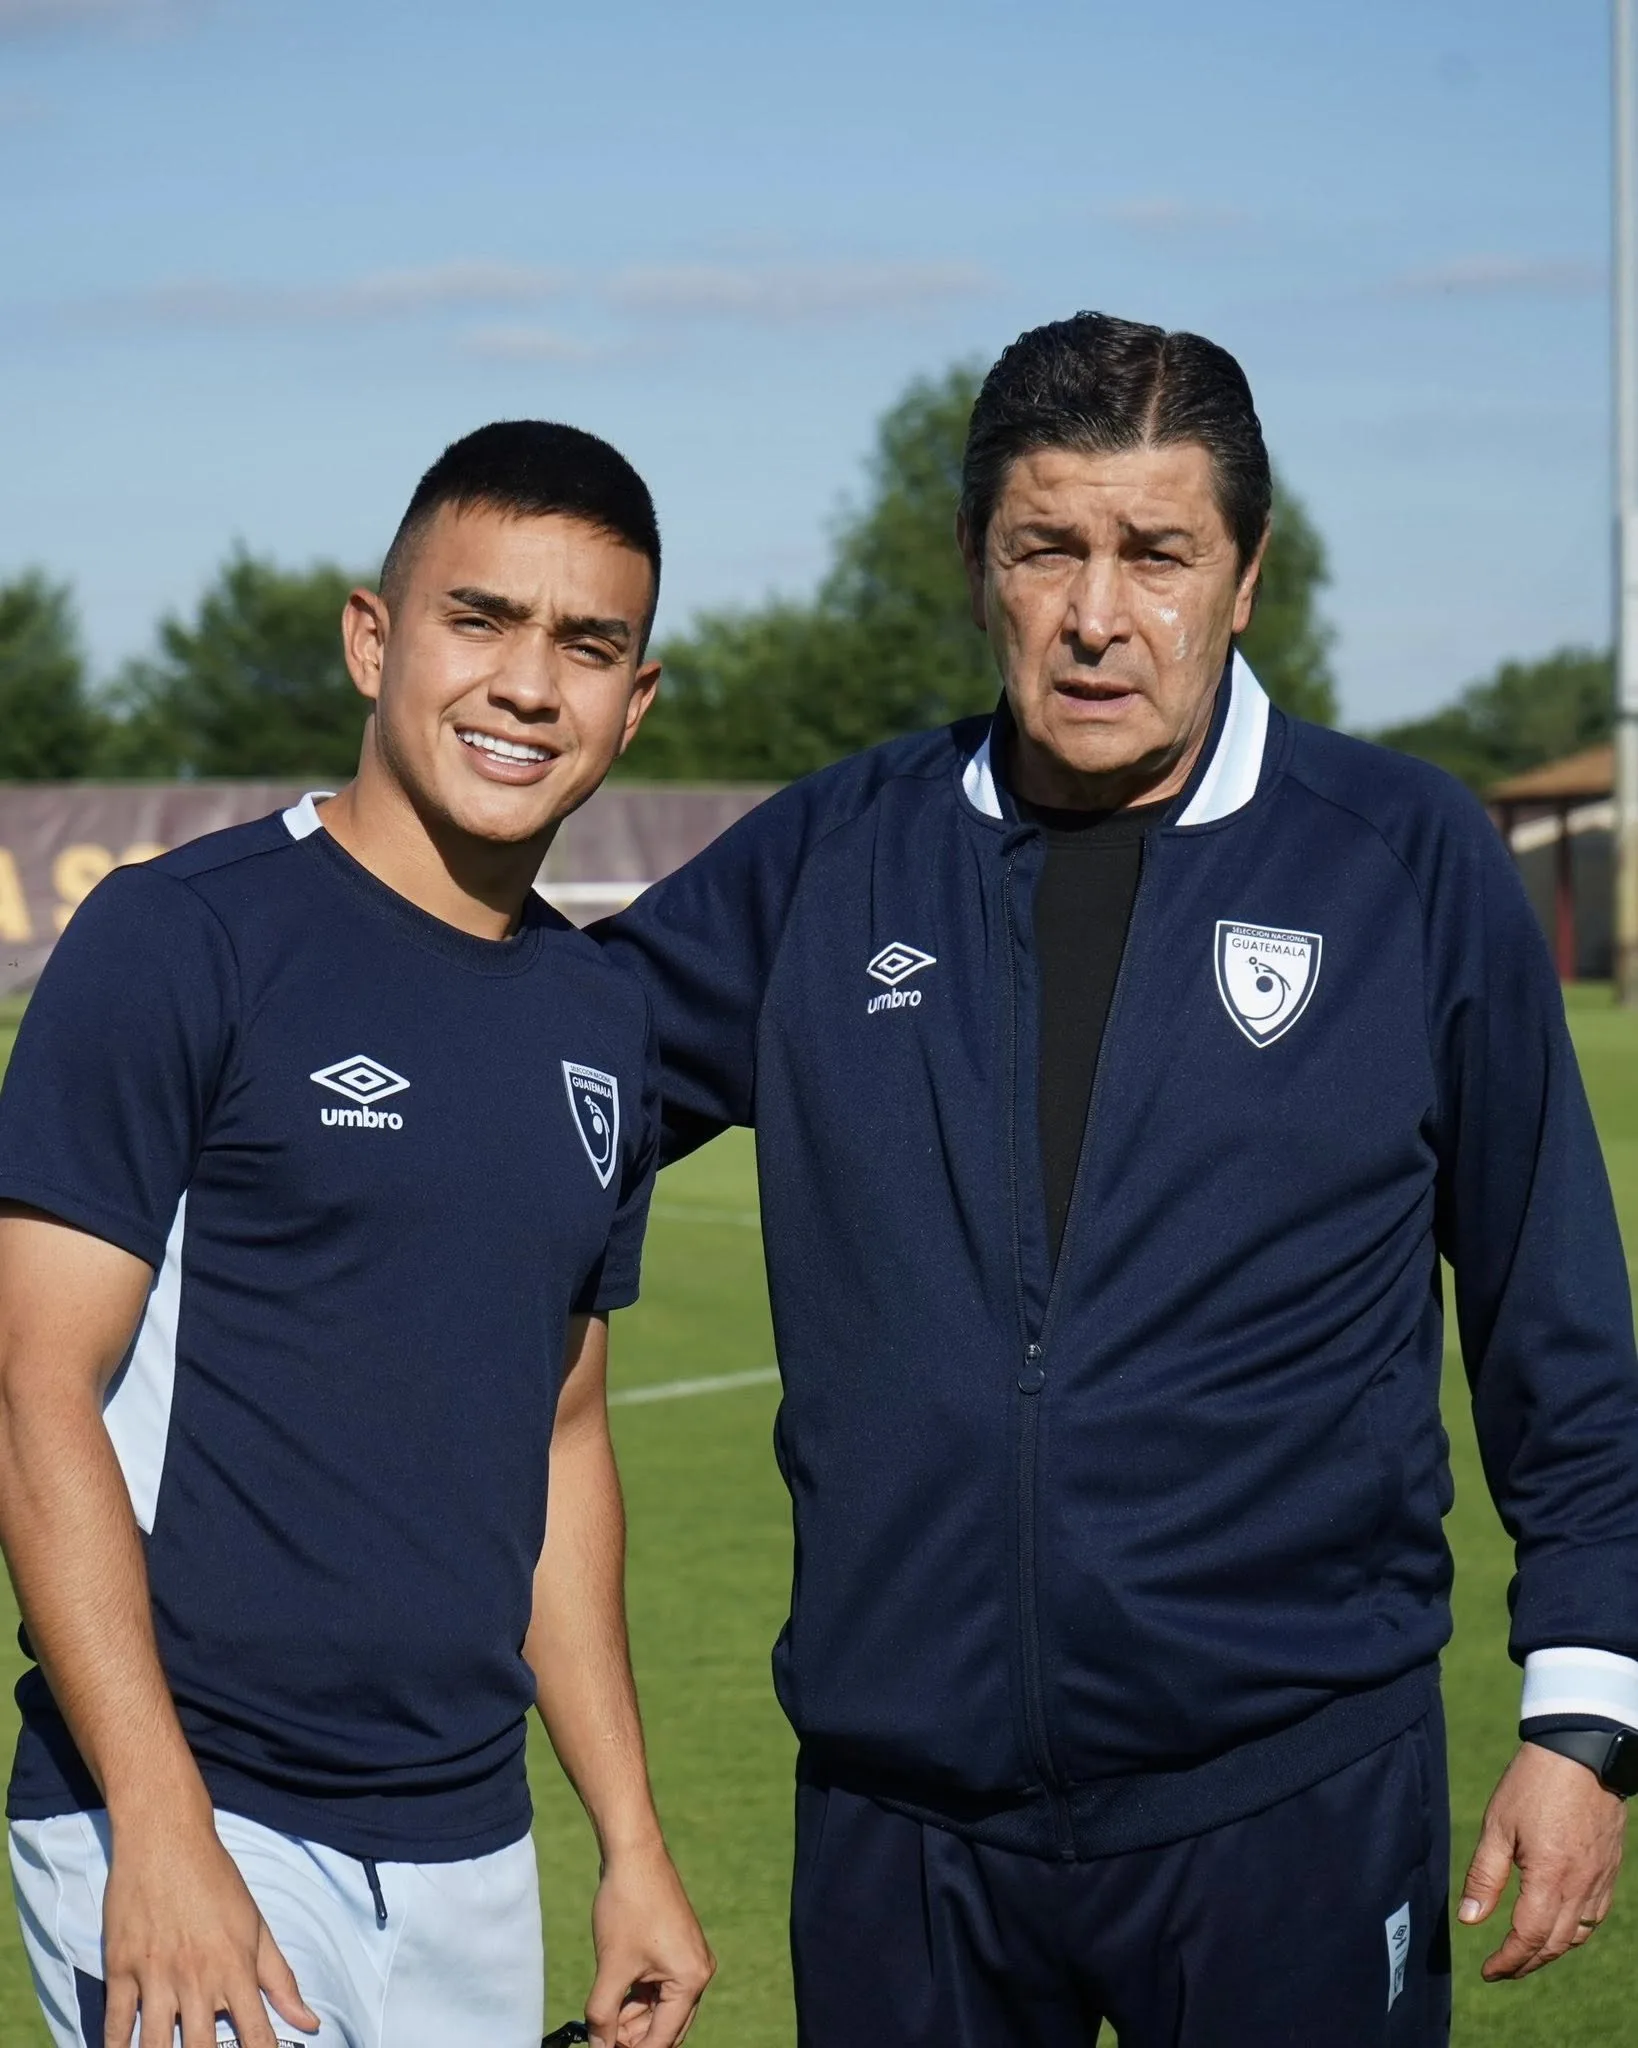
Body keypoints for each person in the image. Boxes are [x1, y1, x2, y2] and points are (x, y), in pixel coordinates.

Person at [600, 313, 1638, 2047]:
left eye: (1155, 553)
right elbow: (528, 1087)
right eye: (1046, 550)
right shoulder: (834, 856)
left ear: (1245, 574)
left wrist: (1583, 1717)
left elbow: (1556, 1316)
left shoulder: (1401, 861)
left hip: (1289, 1800)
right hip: (900, 1820)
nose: (1097, 614)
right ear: (976, 564)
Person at [0, 421, 713, 2048]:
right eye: (481, 619)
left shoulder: (603, 1017)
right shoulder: (182, 937)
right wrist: (162, 1829)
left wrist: (631, 1843)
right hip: (197, 1813)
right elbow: (32, 1388)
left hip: (471, 1849)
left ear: (635, 702)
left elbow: (563, 1436)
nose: (527, 686)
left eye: (586, 645)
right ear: (372, 639)